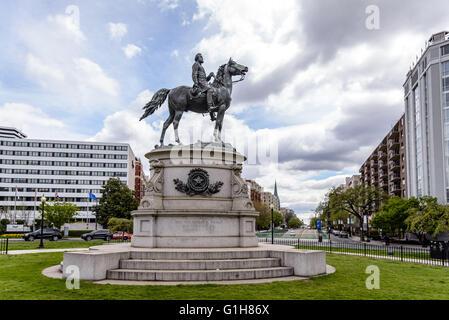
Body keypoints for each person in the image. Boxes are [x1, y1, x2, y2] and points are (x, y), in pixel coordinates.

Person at [192, 53, 216, 121]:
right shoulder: (196, 64)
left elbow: (205, 79)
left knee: (213, 91)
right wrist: (196, 83)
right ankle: (210, 107)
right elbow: (194, 74)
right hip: (200, 83)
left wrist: (210, 75)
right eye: (201, 57)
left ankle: (212, 115)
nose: (202, 58)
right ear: (197, 58)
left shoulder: (201, 66)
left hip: (204, 83)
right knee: (210, 90)